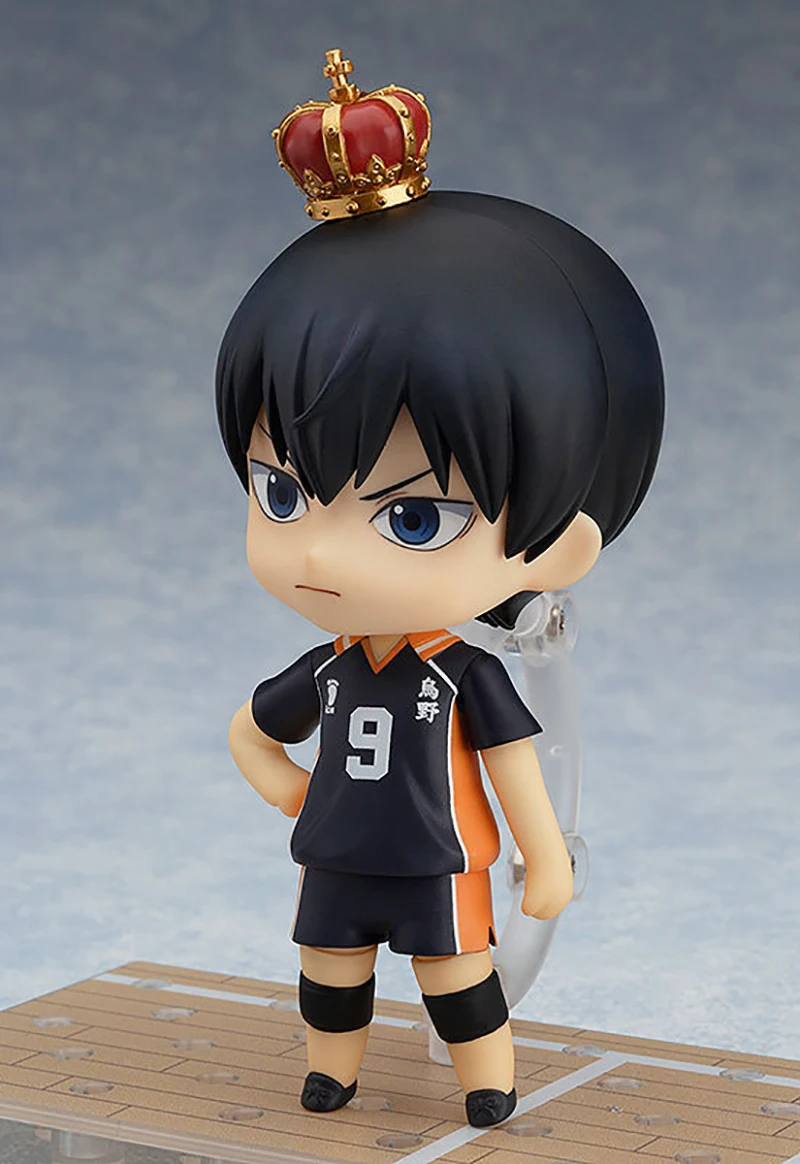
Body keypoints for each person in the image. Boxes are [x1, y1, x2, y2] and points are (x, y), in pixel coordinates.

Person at [215, 52, 664, 1129]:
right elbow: (250, 732)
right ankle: (331, 1070)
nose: (321, 557)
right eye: (282, 493)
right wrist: (292, 793)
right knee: (327, 971)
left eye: (412, 518)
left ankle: (486, 1080)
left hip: (439, 863)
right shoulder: (330, 667)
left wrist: (545, 858)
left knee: (457, 981)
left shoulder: (461, 673)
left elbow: (515, 770)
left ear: (560, 546)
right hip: (335, 857)